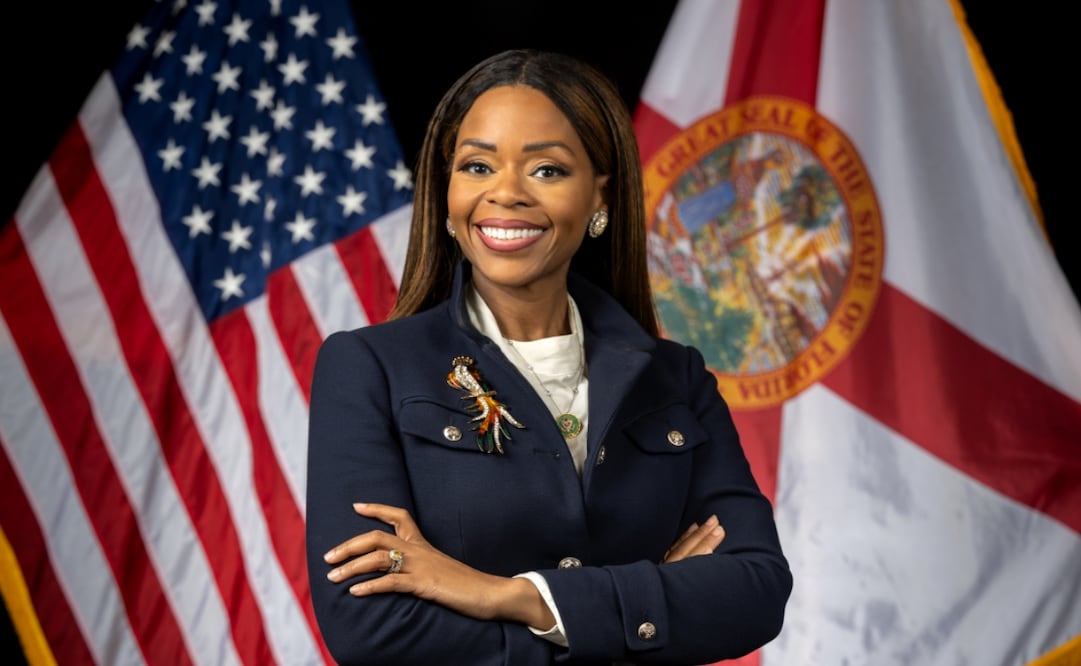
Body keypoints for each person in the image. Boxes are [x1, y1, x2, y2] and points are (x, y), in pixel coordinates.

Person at [305, 48, 792, 665]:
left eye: (547, 171)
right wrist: (645, 609)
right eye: (477, 166)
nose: (504, 194)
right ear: (446, 194)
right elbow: (370, 631)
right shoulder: (368, 367)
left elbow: (756, 591)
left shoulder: (677, 378)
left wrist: (509, 596)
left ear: (599, 198)